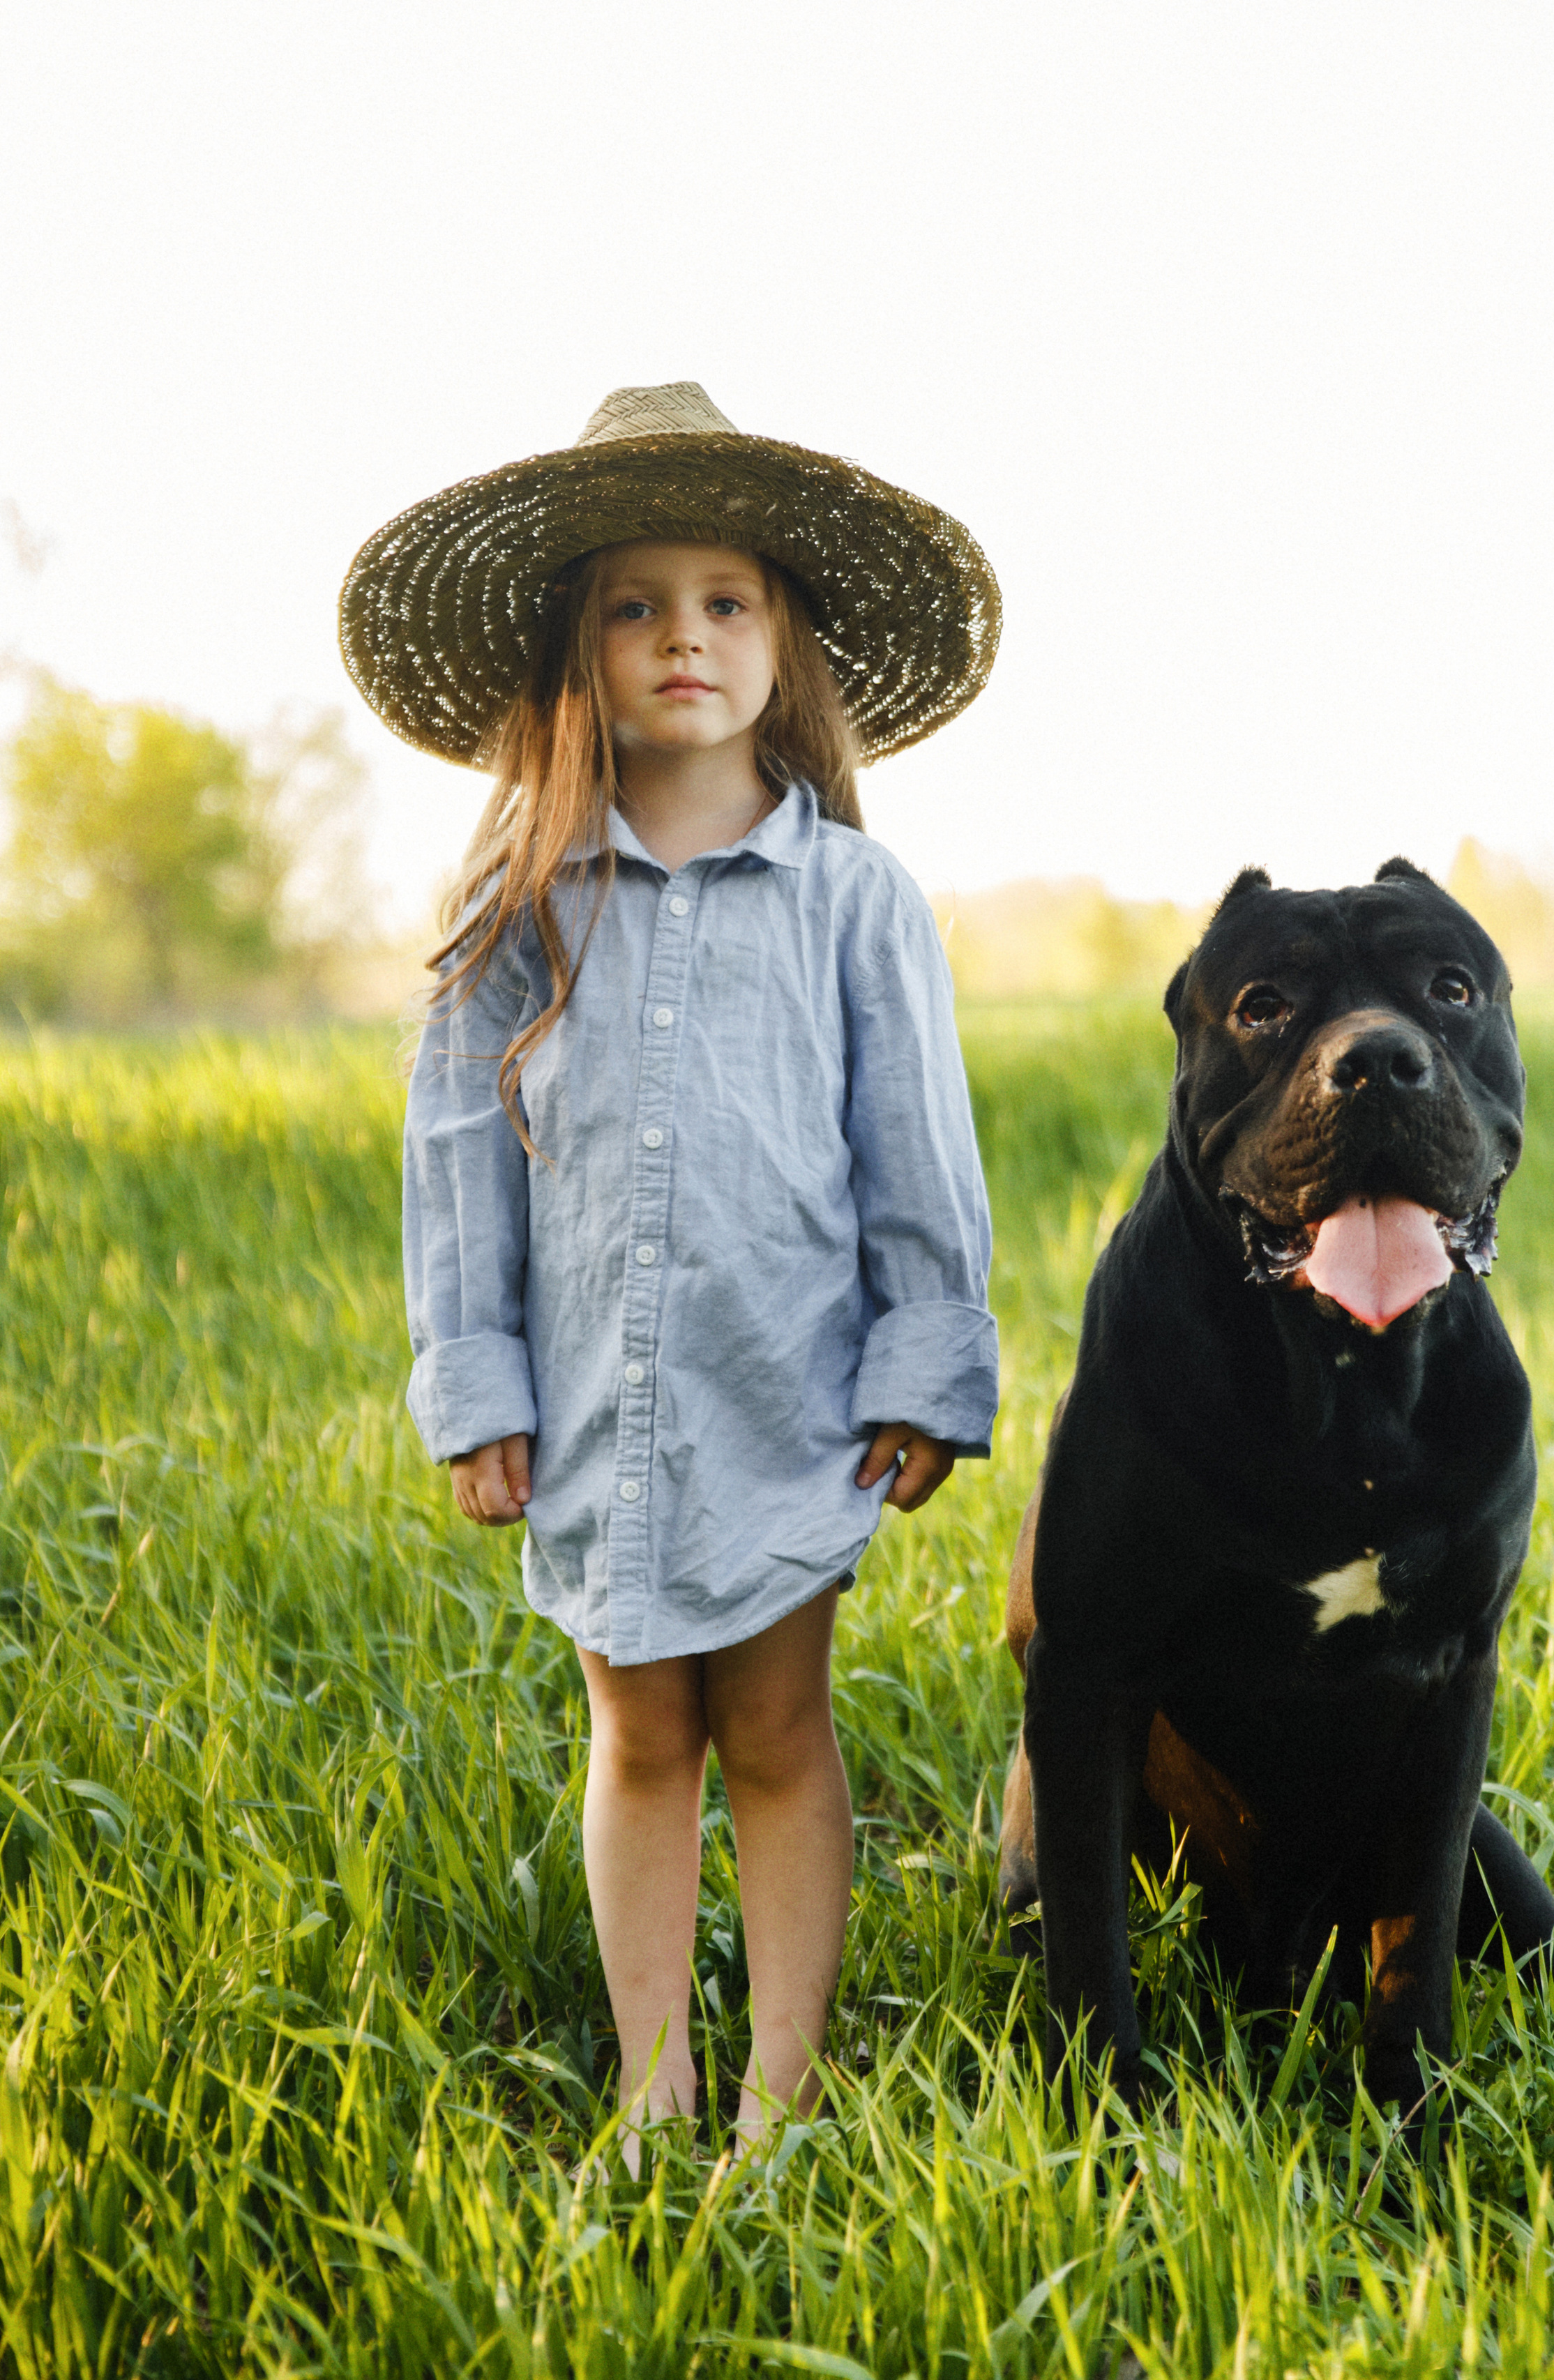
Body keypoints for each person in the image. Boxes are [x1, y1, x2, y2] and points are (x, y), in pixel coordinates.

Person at [340, 382, 1002, 2162]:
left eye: (722, 599)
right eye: (636, 605)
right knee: (639, 1733)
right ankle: (655, 2084)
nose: (681, 639)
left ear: (781, 638)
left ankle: (783, 2090)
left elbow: (914, 1159)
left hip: (786, 1392)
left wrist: (923, 1367)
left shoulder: (858, 901)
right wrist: (472, 1386)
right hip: (596, 1406)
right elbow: (456, 1172)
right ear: (582, 648)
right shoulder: (520, 908)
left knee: (779, 1729)